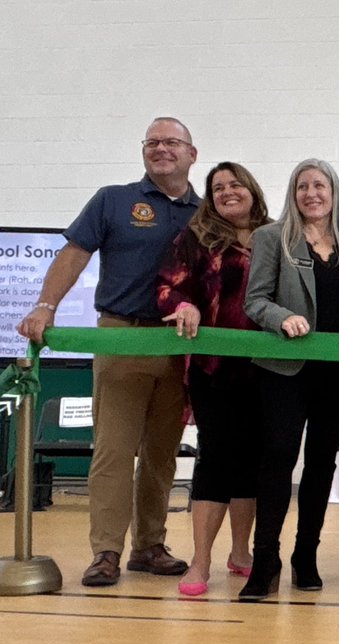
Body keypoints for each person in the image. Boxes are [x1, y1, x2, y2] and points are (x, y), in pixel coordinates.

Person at [17, 117, 198, 586]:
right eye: (152, 142)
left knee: (161, 455)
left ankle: (149, 546)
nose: (161, 149)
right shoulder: (113, 200)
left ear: (191, 154)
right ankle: (106, 552)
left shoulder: (207, 211)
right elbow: (74, 254)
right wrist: (45, 306)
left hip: (182, 346)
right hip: (121, 337)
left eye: (171, 142)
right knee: (114, 451)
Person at [240, 158, 339, 600]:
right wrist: (282, 317)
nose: (311, 193)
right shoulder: (272, 237)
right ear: (293, 194)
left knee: (322, 463)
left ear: (334, 192)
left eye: (319, 185)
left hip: (337, 374)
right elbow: (255, 300)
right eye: (302, 186)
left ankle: (305, 554)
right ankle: (264, 560)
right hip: (284, 371)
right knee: (278, 458)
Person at [156, 162, 270, 596]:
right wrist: (184, 306)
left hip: (267, 370)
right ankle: (200, 561)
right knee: (216, 459)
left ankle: (241, 552)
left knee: (252, 461)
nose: (226, 192)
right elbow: (168, 286)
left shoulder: (276, 234)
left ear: (252, 189)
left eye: (234, 184)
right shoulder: (195, 237)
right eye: (217, 187)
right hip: (213, 368)